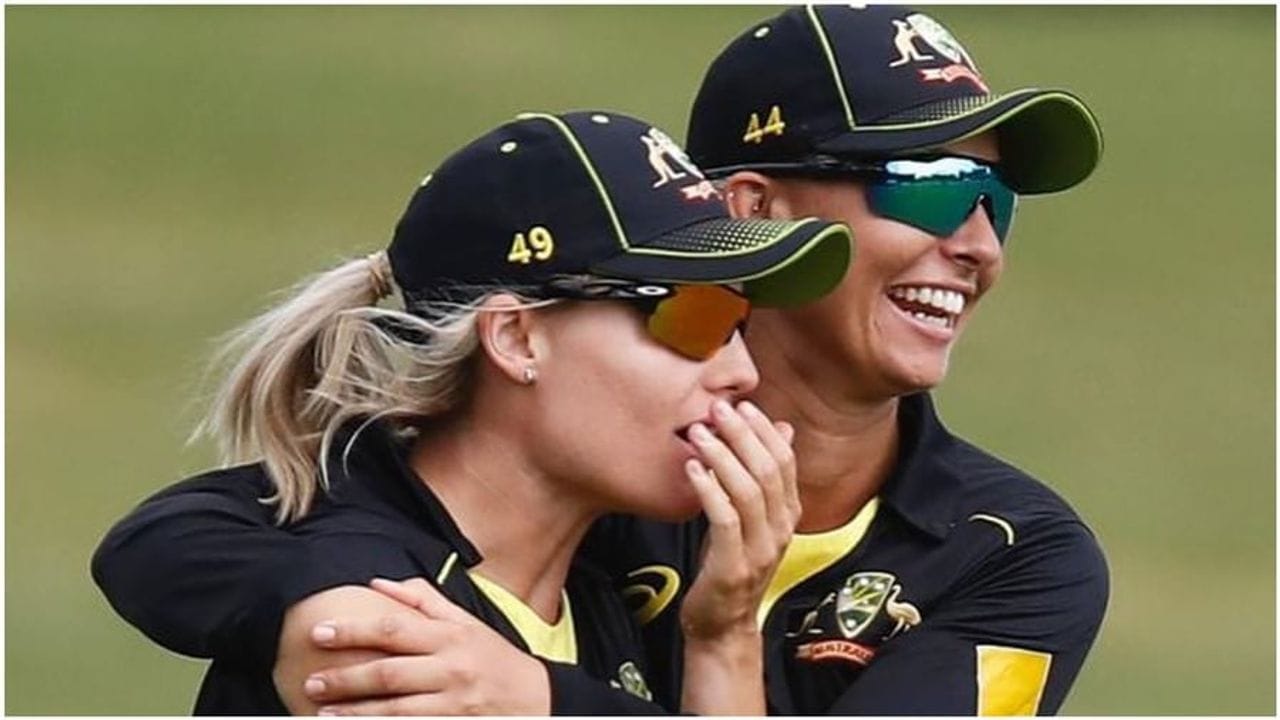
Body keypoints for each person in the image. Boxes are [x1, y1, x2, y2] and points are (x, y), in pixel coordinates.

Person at [94, 5, 1110, 715]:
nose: (977, 243)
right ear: (751, 209)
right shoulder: (593, 479)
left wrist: (568, 688)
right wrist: (337, 613)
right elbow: (176, 535)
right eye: (928, 185)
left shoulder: (1014, 551)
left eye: (997, 202)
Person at [91, 108, 855, 715]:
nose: (742, 372)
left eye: (741, 321)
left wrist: (724, 636)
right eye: (694, 318)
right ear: (517, 337)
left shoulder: (603, 586)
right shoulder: (383, 616)